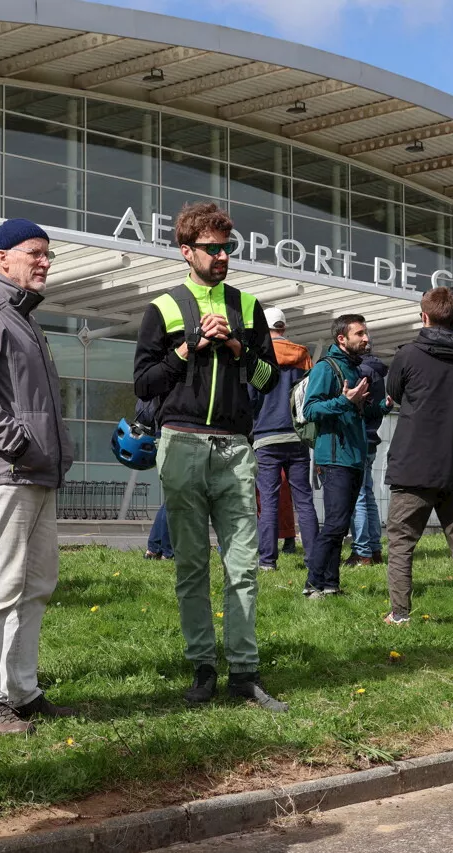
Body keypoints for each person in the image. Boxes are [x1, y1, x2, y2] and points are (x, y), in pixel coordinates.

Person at [133, 201, 286, 713]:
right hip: (181, 442)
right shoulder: (164, 307)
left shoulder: (248, 305)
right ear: (186, 251)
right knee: (192, 565)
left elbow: (267, 382)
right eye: (212, 249)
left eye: (228, 248)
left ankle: (244, 672)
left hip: (235, 448)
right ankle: (202, 668)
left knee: (242, 565)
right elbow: (145, 383)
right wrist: (188, 347)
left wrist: (241, 348)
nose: (222, 257)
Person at [0, 219, 77, 735]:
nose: (44, 261)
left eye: (48, 254)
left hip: (36, 475)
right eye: (35, 253)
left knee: (37, 583)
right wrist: (19, 444)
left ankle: (22, 692)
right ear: (2, 259)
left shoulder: (23, 317)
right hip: (4, 471)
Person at [383, 288, 453, 628]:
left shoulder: (409, 354)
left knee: (401, 542)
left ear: (423, 315)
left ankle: (399, 613)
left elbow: (394, 392)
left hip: (413, 465)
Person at [301, 314, 387, 597]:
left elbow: (358, 413)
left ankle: (330, 584)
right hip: (334, 457)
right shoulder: (326, 368)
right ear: (342, 339)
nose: (366, 338)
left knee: (340, 525)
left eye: (366, 332)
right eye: (360, 333)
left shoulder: (354, 369)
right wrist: (345, 400)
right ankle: (312, 584)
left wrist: (383, 406)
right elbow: (310, 410)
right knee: (336, 525)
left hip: (354, 456)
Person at [249, 306, 319, 572]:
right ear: (284, 327)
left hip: (266, 437)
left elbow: (251, 399)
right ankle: (313, 559)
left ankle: (267, 560)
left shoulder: (259, 357)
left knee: (267, 500)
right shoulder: (303, 356)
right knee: (303, 499)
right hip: (297, 435)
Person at [345, 348, 388, 567]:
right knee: (368, 494)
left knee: (358, 495)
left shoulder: (359, 371)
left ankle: (362, 553)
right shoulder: (378, 372)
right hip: (372, 438)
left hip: (358, 439)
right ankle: (374, 548)